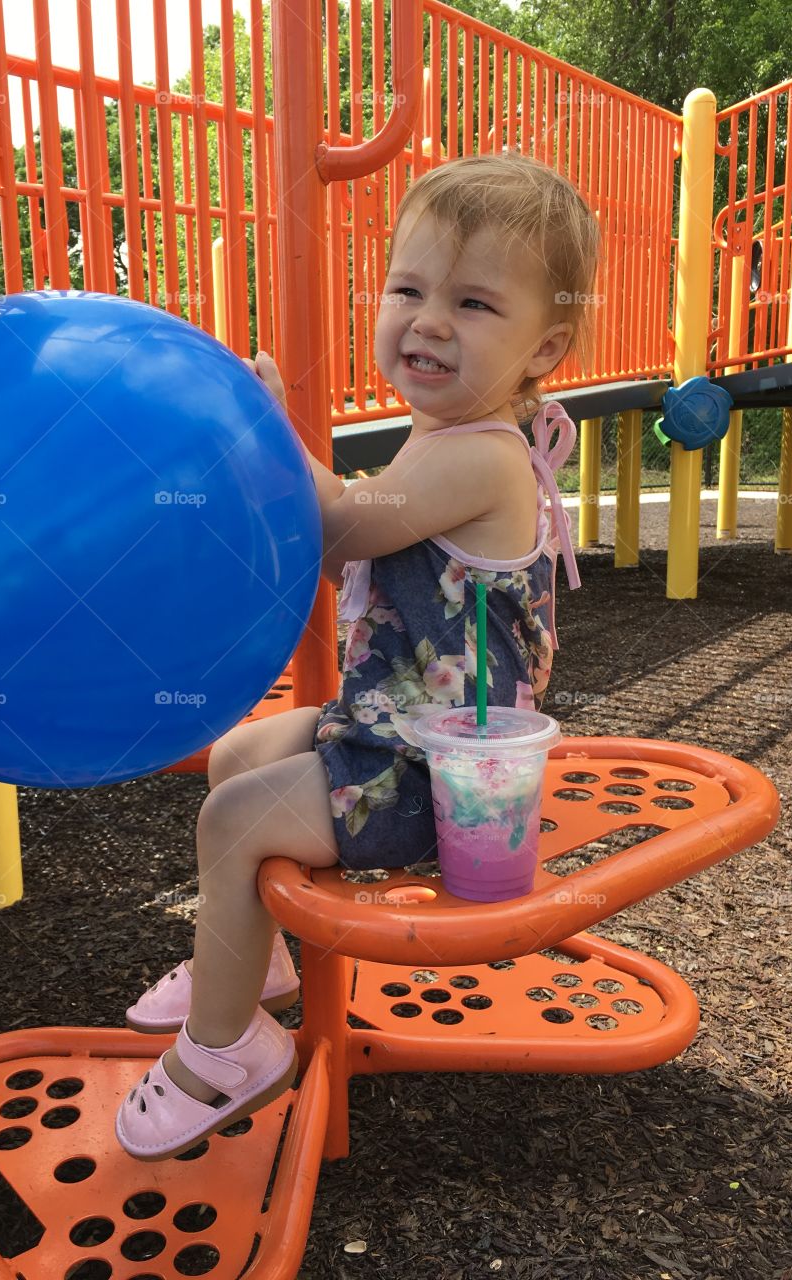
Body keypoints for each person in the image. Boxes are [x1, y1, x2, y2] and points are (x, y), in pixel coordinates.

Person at [116, 151, 602, 1159]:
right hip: (393, 730)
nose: (427, 320)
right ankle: (258, 966)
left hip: (448, 780)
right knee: (240, 758)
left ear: (542, 346)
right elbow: (359, 552)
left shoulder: (479, 454)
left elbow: (336, 527)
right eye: (409, 289)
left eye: (471, 303)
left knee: (235, 816)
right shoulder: (436, 440)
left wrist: (262, 426)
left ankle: (225, 1048)